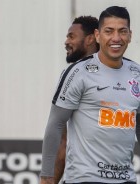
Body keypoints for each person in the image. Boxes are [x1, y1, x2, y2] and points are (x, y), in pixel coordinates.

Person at [40, 6, 139, 184]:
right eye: (109, 31)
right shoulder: (78, 72)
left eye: (122, 31)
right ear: (98, 35)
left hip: (126, 180)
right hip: (84, 179)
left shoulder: (136, 73)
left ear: (130, 35)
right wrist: (46, 177)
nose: (116, 38)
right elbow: (56, 125)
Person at [53, 15, 99, 184]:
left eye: (71, 36)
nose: (66, 41)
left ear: (90, 39)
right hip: (78, 178)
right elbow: (62, 142)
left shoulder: (129, 74)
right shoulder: (72, 76)